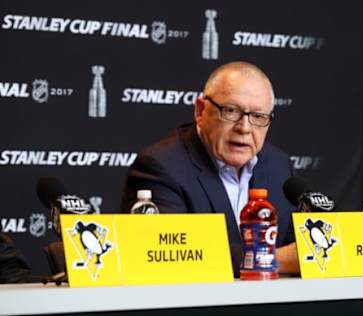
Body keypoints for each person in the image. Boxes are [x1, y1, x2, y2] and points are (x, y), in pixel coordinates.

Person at [121, 61, 299, 275]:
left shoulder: (279, 166)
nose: (244, 128)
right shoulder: (161, 166)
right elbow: (171, 257)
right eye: (231, 111)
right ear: (200, 111)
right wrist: (276, 260)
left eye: (258, 117)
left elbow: (298, 248)